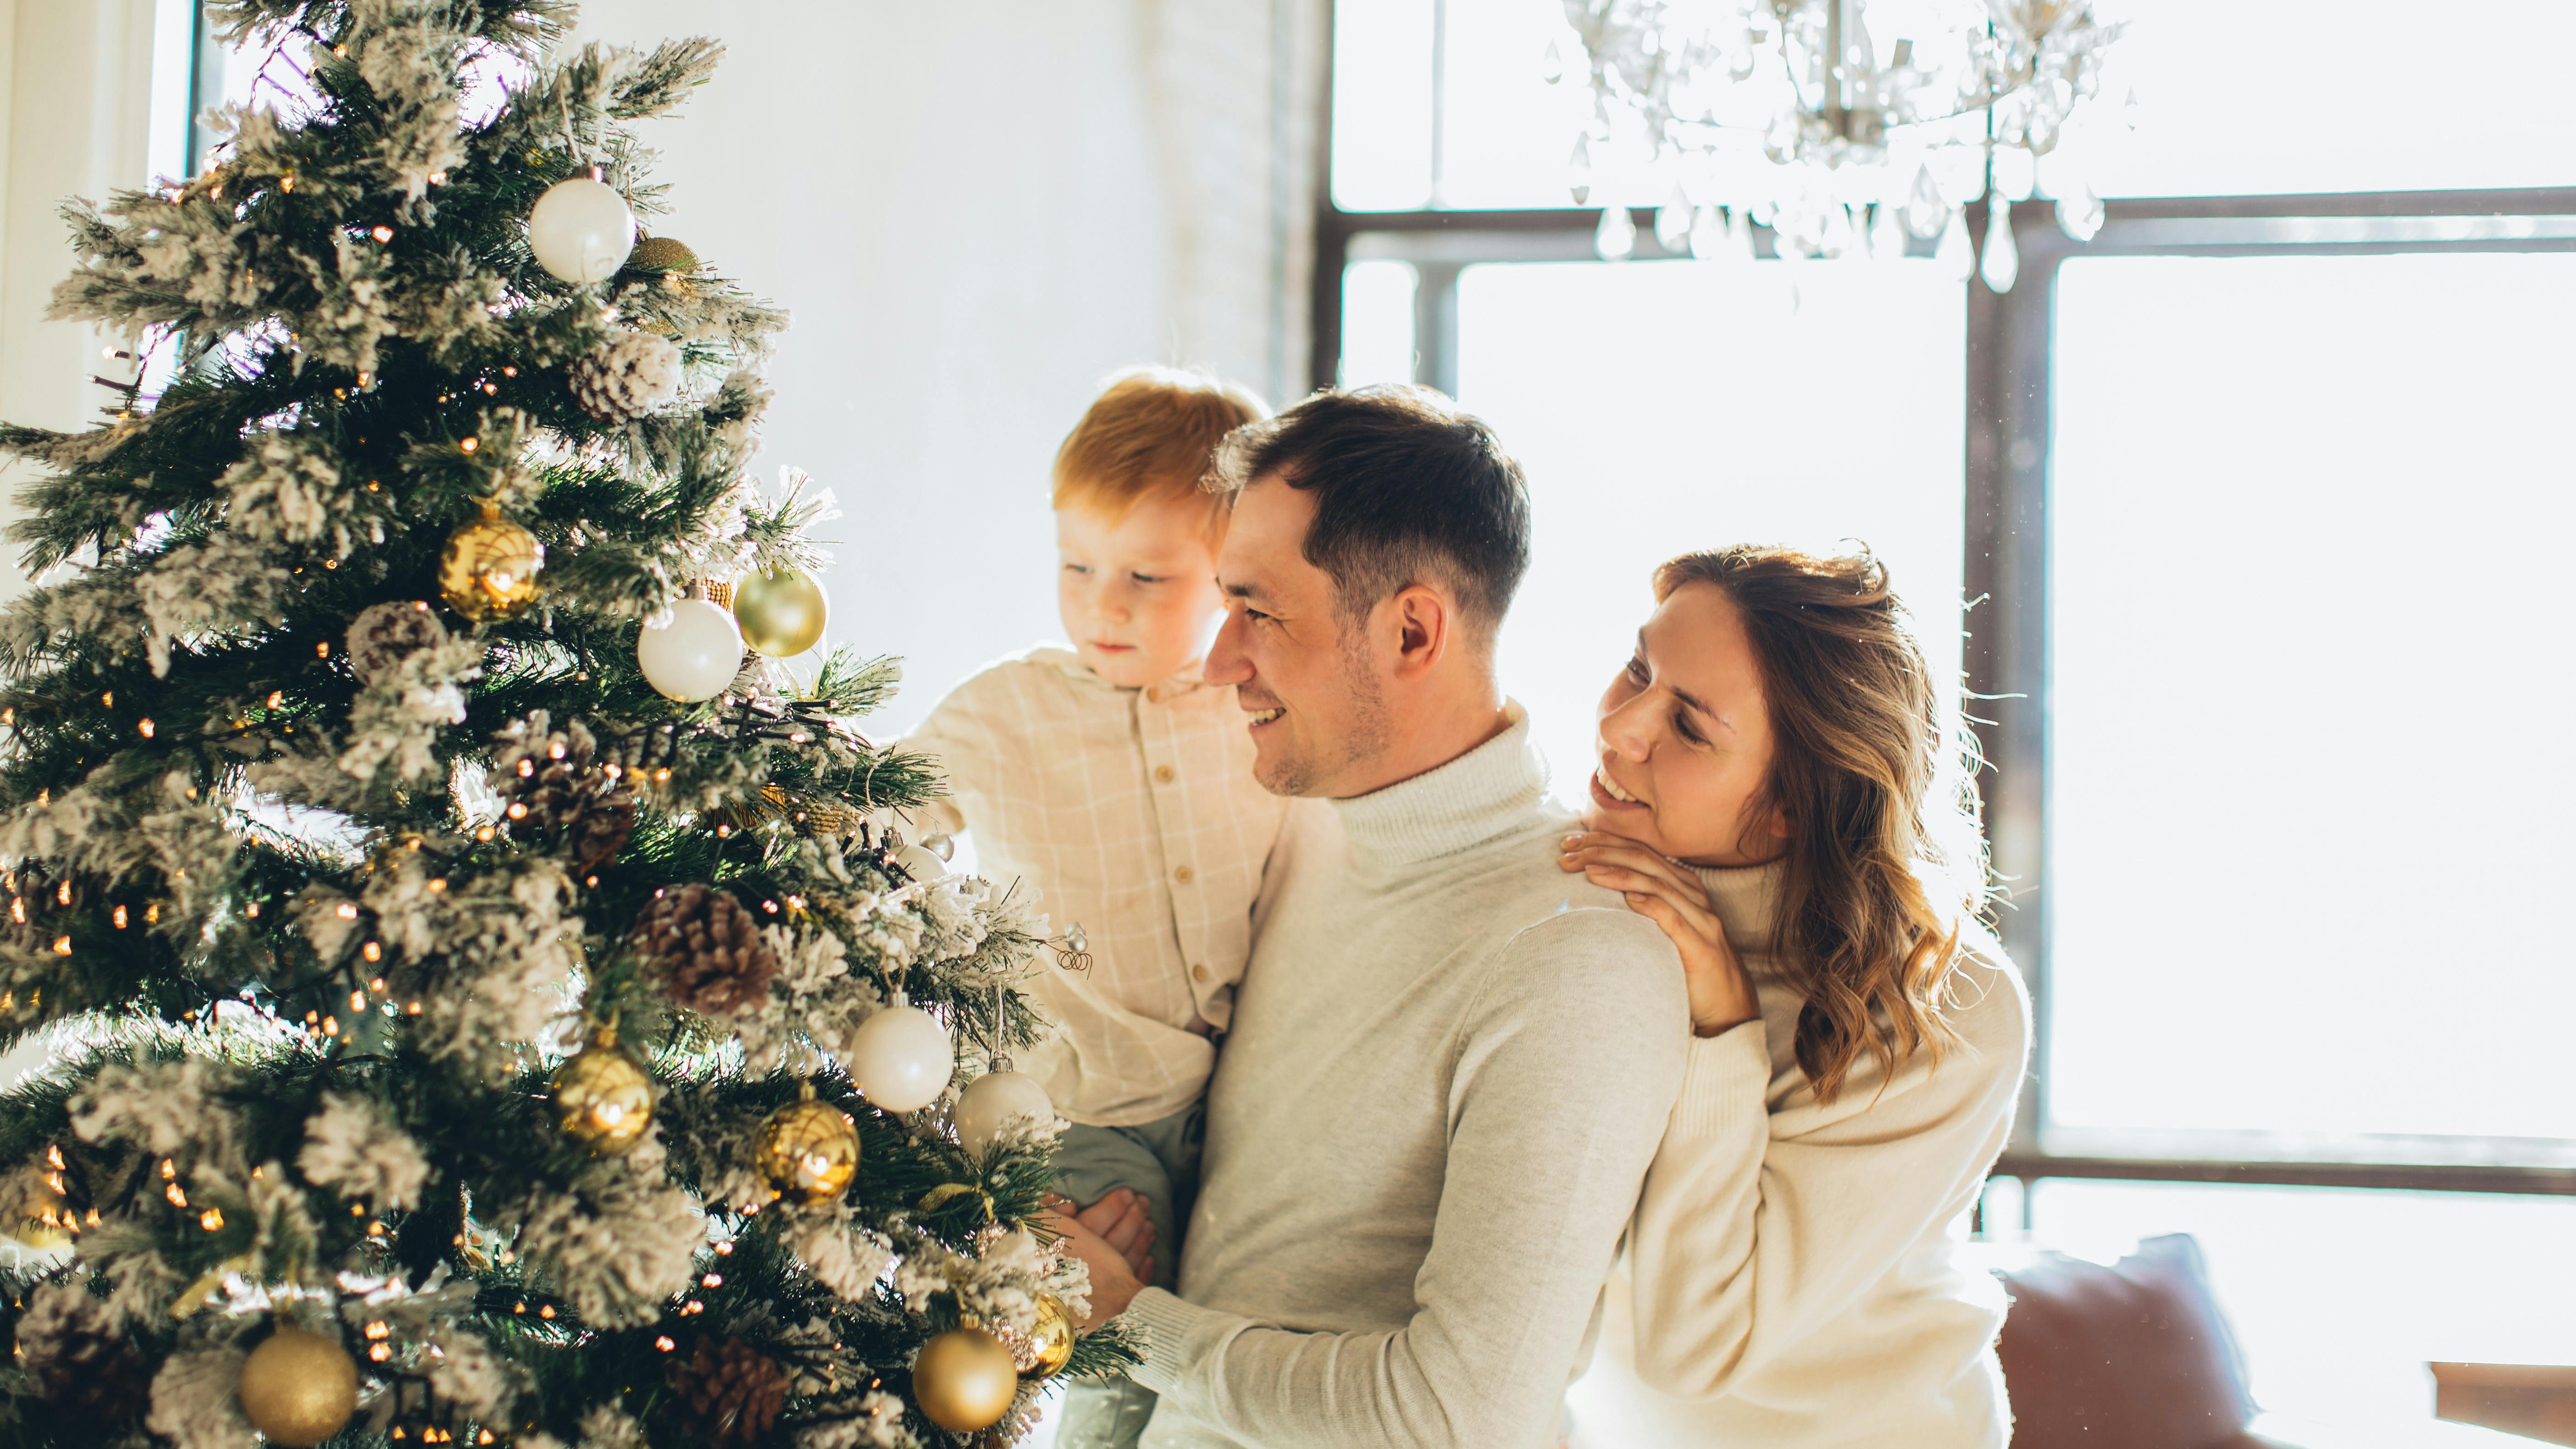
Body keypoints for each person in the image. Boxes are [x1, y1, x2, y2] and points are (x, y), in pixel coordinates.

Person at [1051, 385, 1692, 1449]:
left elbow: (1461, 1416)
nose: (1217, 662)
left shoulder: (1581, 955)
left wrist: (1126, 1321)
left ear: (1409, 629)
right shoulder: (1298, 827)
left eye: (1257, 610)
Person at [1556, 544, 2030, 1447]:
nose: (1619, 727)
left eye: (1688, 725)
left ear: (1794, 805)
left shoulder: (1948, 1006)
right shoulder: (1588, 890)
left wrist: (1723, 1025)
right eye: (1636, 668)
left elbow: (1689, 1346)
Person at [893, 366, 1285, 1446]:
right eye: (1077, 565)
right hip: (1080, 1096)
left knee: (1208, 1332)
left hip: (1230, 1098)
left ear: (1232, 577)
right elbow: (880, 830)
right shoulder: (1002, 712)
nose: (1102, 602)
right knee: (1112, 1336)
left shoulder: (1255, 712)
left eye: (1150, 577)